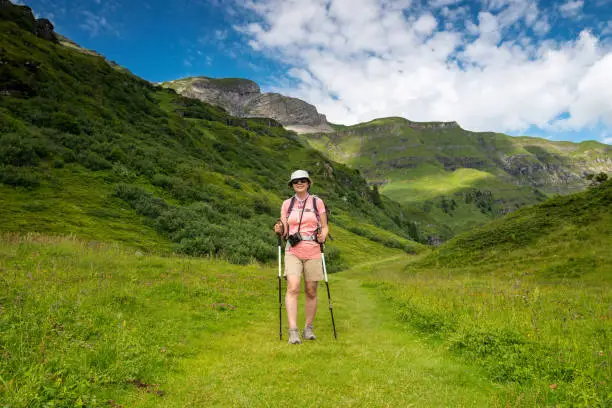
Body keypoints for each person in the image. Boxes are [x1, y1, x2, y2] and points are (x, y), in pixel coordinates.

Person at [274, 170, 329, 344]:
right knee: (293, 286)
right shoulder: (286, 204)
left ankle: (308, 328)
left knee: (311, 290)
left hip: (313, 249)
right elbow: (283, 228)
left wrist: (324, 235)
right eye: (296, 181)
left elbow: (325, 226)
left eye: (303, 180)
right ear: (291, 184)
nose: (300, 183)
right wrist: (279, 229)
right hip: (293, 250)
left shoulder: (317, 202)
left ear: (308, 183)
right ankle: (293, 331)